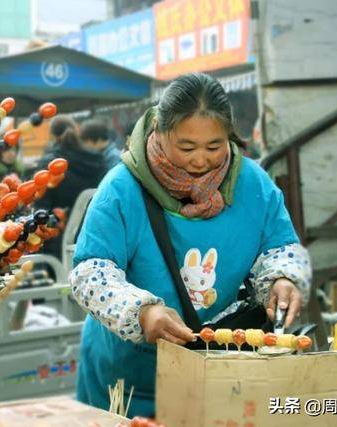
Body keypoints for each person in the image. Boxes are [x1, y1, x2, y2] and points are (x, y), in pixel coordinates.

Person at [69, 73, 312, 417]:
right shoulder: (122, 188)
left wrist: (283, 279)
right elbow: (89, 272)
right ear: (159, 128)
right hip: (127, 378)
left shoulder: (252, 183)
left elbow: (280, 248)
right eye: (186, 147)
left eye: (214, 147)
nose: (200, 160)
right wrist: (141, 312)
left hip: (215, 369)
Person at [35, 116, 111, 261]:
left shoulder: (50, 165)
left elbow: (41, 207)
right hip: (93, 236)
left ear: (53, 136)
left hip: (57, 243)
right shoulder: (98, 160)